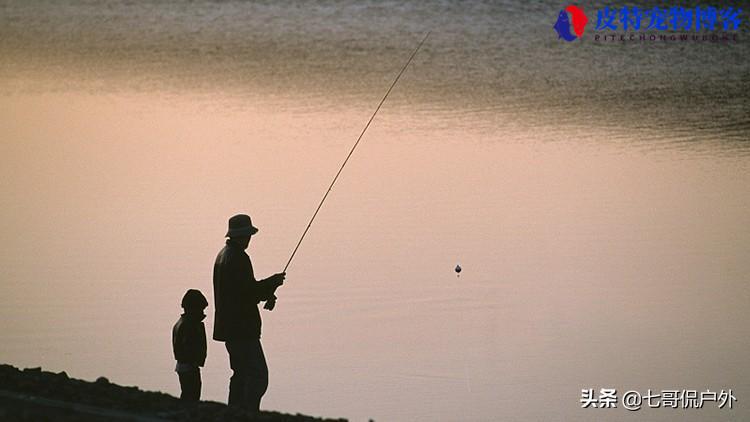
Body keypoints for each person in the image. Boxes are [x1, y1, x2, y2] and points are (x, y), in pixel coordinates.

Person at [213, 214, 285, 412]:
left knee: (240, 374)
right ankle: (248, 413)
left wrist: (268, 291)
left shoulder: (223, 255)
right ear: (243, 235)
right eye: (248, 235)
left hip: (229, 328)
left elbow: (242, 291)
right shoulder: (238, 258)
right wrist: (272, 282)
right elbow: (248, 294)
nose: (250, 239)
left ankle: (234, 412)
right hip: (242, 329)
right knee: (258, 375)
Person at [172, 289, 208, 402]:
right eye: (201, 309)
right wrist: (194, 361)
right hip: (189, 365)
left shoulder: (181, 323)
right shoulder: (190, 325)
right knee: (192, 394)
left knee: (187, 393)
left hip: (184, 365)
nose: (202, 313)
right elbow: (189, 347)